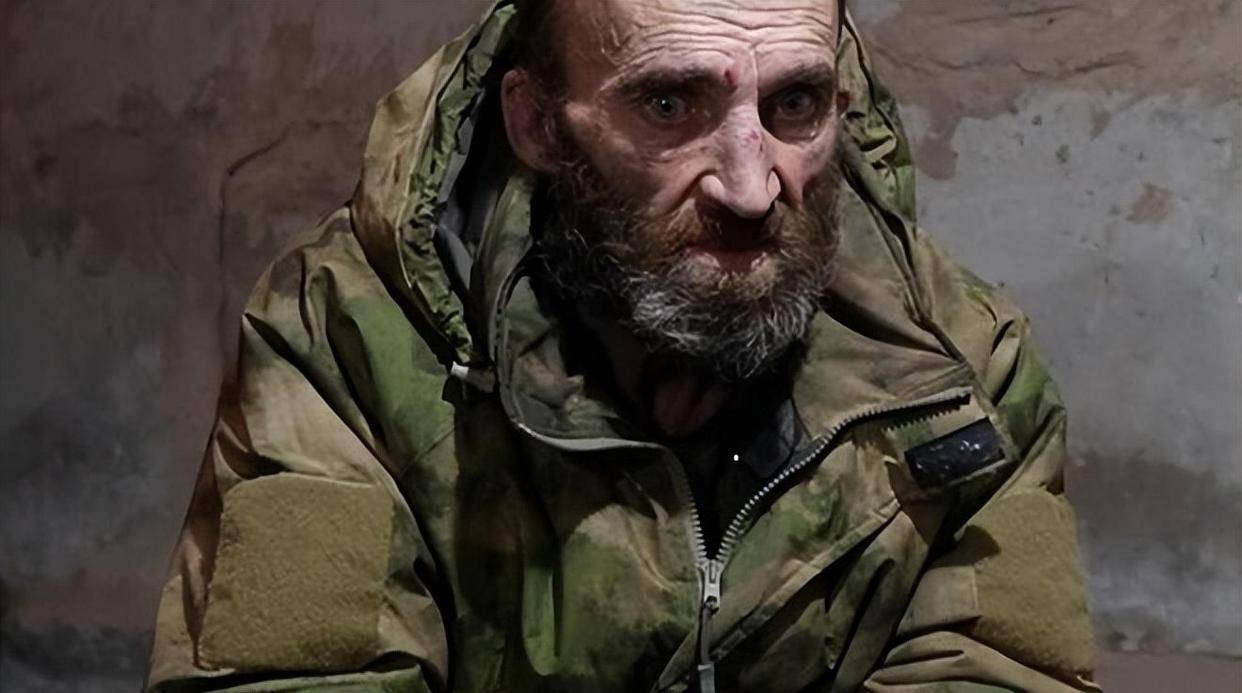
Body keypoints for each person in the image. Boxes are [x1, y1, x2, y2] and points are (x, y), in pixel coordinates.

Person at [145, 1, 1100, 691]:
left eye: (794, 105)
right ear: (536, 123)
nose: (751, 188)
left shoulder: (962, 368)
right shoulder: (346, 341)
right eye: (670, 106)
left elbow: (1003, 669)